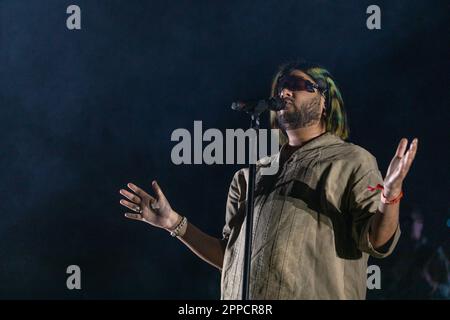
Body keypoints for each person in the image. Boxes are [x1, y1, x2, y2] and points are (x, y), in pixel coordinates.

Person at [119, 61, 418, 299]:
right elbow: (231, 257)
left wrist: (390, 195)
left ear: (324, 101)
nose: (285, 92)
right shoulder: (248, 175)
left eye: (299, 86)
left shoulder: (352, 161)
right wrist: (174, 223)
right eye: (282, 87)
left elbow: (377, 241)